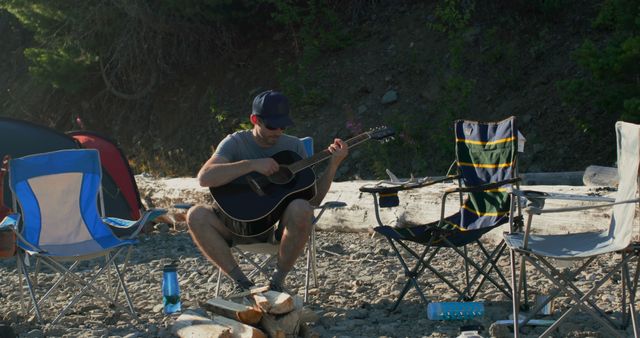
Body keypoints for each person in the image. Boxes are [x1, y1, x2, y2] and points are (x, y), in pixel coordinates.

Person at [187, 90, 349, 292]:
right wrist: (251, 165)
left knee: (301, 208)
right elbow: (205, 178)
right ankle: (242, 283)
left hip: (275, 230)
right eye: (272, 125)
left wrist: (333, 165)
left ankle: (277, 283)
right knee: (196, 215)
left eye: (283, 125)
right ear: (255, 119)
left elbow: (313, 201)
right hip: (234, 226)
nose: (278, 131)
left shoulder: (294, 147)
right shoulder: (235, 142)